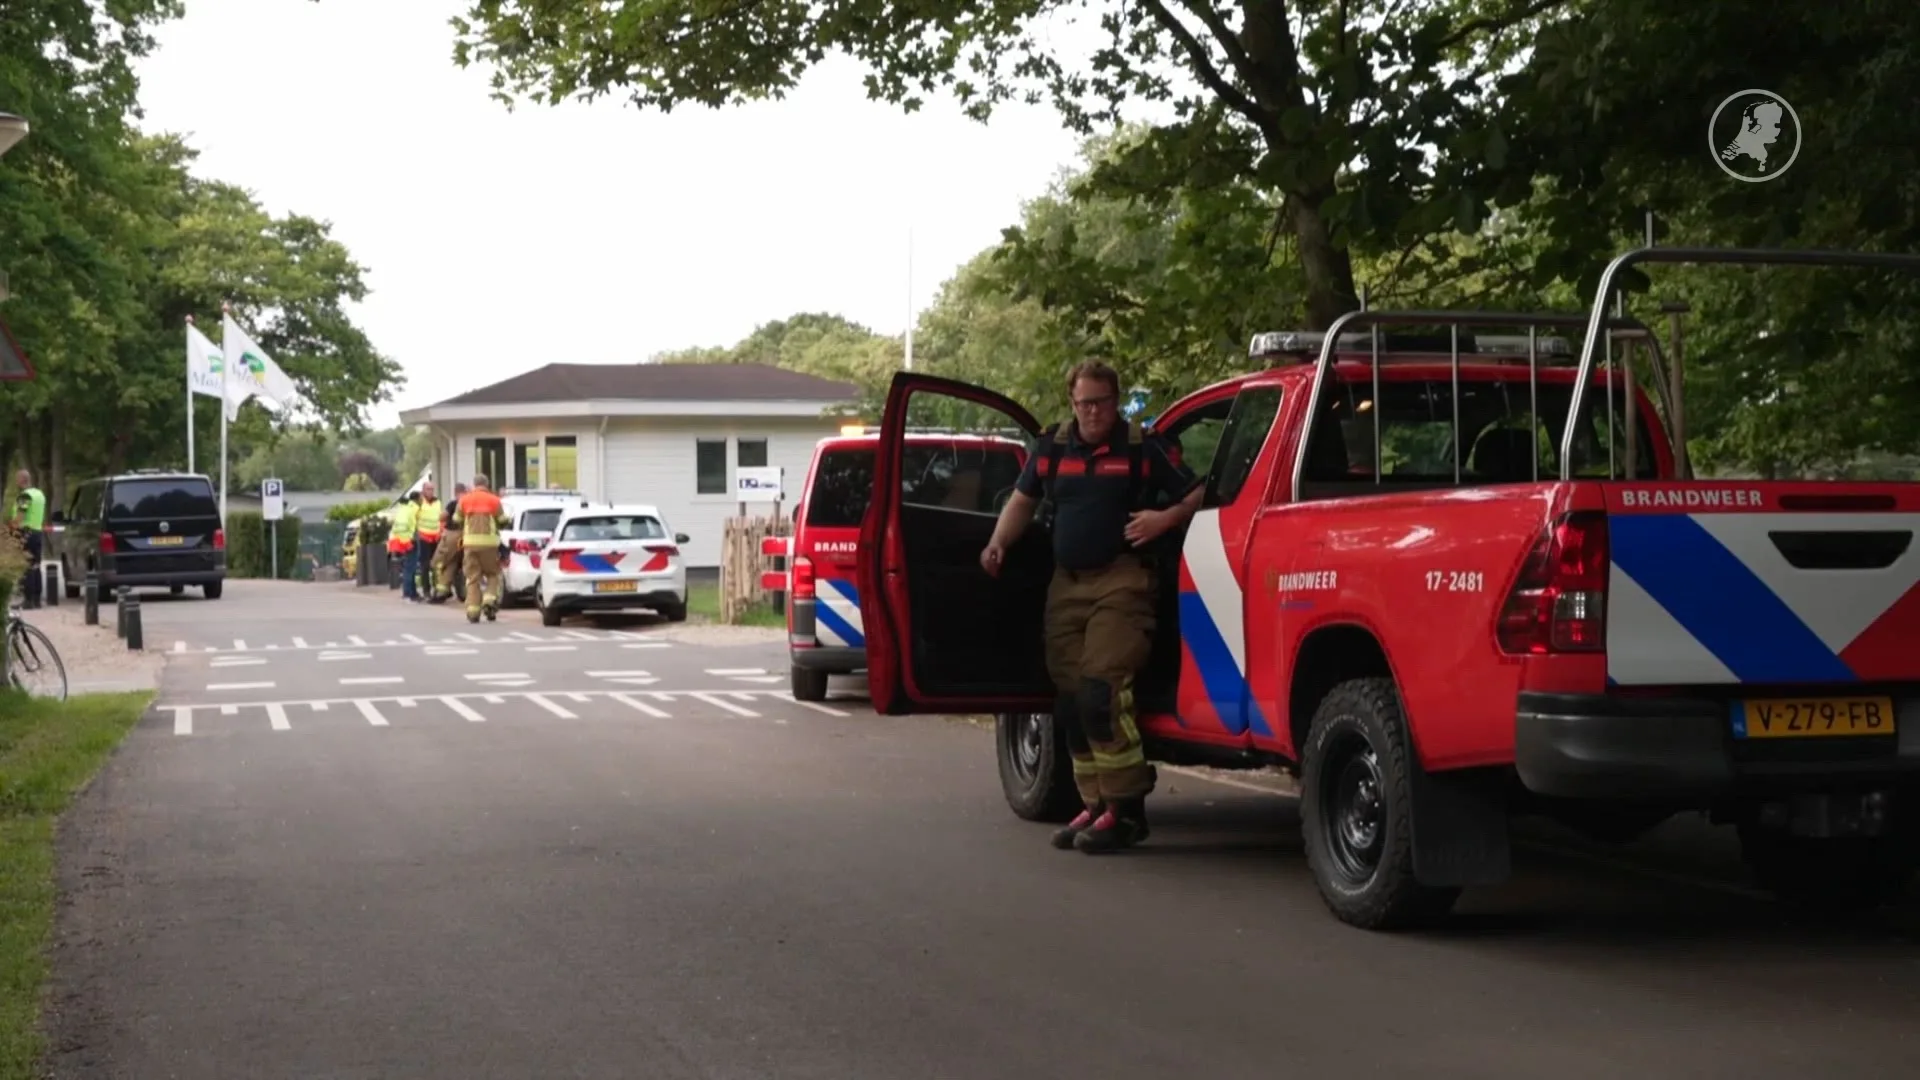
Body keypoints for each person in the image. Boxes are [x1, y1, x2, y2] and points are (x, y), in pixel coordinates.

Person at [980, 359, 1204, 854]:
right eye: (1084, 403)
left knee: (1102, 689)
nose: (1093, 411)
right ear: (1072, 402)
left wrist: (1163, 519)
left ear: (1116, 400)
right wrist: (998, 543)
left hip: (1123, 582)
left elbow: (1198, 493)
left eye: (1102, 401)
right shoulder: (1053, 446)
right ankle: (1096, 804)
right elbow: (1022, 501)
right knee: (1068, 698)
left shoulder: (1143, 447)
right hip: (1068, 584)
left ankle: (1126, 813)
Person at [452, 474, 509, 623]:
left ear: (474, 484)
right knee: (492, 574)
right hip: (490, 545)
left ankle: (473, 612)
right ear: (487, 484)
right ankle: (489, 601)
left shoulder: (465, 500)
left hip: (470, 544)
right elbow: (503, 520)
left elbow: (456, 519)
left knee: (472, 578)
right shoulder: (494, 500)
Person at [9, 468, 47, 609]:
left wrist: (11, 529)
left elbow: (20, 517)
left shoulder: (25, 496)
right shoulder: (39, 494)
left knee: (26, 566)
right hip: (37, 532)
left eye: (17, 479)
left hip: (26, 533)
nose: (16, 482)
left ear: (22, 480)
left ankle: (28, 600)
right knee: (36, 565)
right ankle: (37, 599)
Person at [430, 482, 468, 605]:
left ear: (456, 492)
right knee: (458, 563)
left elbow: (443, 517)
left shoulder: (454, 503)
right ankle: (463, 593)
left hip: (452, 535)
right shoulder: (470, 503)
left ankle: (441, 591)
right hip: (468, 536)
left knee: (439, 562)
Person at [392, 492, 422, 602]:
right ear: (417, 499)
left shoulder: (405, 508)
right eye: (421, 498)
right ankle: (408, 593)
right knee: (410, 568)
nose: (422, 500)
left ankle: (412, 593)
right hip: (412, 540)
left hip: (404, 540)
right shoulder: (415, 509)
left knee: (409, 567)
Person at [415, 483, 443, 598]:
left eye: (432, 489)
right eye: (428, 489)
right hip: (424, 537)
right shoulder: (419, 503)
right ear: (423, 490)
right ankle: (426, 591)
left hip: (435, 538)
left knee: (436, 565)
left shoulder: (438, 502)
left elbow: (440, 518)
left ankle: (437, 589)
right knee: (425, 566)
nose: (430, 491)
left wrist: (440, 532)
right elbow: (414, 518)